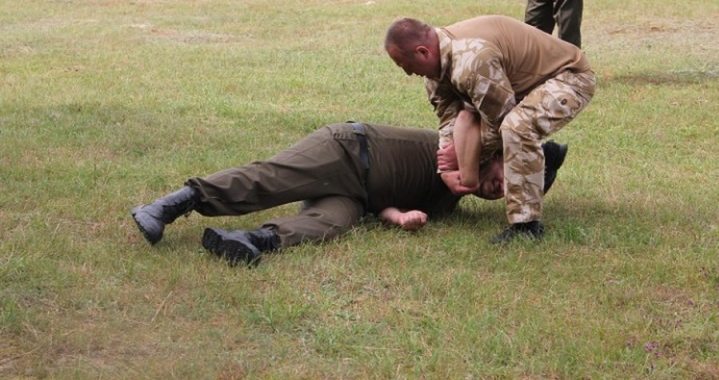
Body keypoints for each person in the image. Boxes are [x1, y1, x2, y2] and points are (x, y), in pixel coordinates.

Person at [131, 122, 568, 265]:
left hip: (357, 198)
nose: (499, 189)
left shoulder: (450, 201)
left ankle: (250, 240)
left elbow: (391, 204)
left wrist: (396, 218)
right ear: (497, 154)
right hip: (344, 150)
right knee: (269, 180)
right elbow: (464, 122)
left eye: (508, 193)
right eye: (507, 177)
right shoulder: (459, 146)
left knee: (332, 223)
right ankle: (168, 207)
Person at [384, 15, 595, 243]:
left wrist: (465, 158)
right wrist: (446, 169)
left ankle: (526, 228)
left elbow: (500, 122)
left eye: (405, 65)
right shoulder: (436, 72)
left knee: (517, 128)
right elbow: (448, 120)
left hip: (569, 77)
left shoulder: (471, 61)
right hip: (522, 89)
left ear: (423, 52)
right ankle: (543, 160)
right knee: (478, 150)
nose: (408, 73)